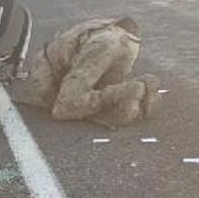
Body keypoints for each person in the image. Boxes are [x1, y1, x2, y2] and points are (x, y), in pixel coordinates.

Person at [29, 17, 161, 127]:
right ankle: (139, 90)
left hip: (103, 43)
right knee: (99, 95)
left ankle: (129, 90)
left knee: (65, 108)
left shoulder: (45, 65)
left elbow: (69, 82)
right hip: (130, 42)